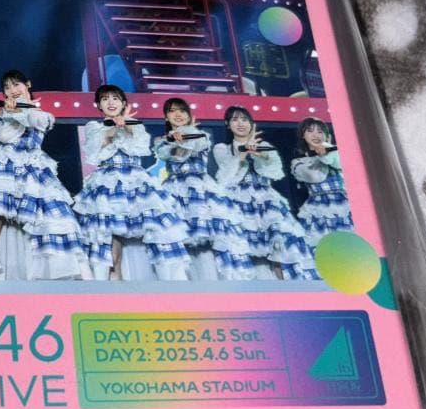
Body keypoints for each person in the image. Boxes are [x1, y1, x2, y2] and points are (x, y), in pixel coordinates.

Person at [0, 70, 88, 280]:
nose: (12, 90)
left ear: (28, 85)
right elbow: (1, 134)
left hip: (34, 171)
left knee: (51, 220)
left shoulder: (40, 113)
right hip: (3, 168)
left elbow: (38, 122)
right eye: (7, 87)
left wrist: (18, 111)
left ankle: (50, 276)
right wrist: (9, 114)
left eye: (16, 84)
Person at [74, 85, 190, 281]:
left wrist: (126, 124)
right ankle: (109, 291)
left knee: (160, 233)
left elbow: (141, 146)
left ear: (123, 104)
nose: (110, 102)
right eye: (105, 99)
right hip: (107, 187)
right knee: (109, 250)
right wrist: (114, 127)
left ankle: (171, 287)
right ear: (99, 105)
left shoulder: (136, 125)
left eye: (115, 98)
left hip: (137, 185)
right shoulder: (94, 126)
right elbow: (97, 148)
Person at [154, 98, 253, 280]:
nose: (178, 114)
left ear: (189, 115)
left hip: (201, 187)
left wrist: (186, 133)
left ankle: (215, 281)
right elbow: (174, 155)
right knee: (176, 236)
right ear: (166, 117)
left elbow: (190, 148)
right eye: (173, 111)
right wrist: (175, 140)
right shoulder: (161, 141)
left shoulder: (201, 135)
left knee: (209, 237)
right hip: (175, 189)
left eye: (182, 111)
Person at [214, 106, 316, 280]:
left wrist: (260, 154)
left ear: (252, 124)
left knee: (279, 245)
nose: (241, 124)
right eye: (235, 120)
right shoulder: (222, 148)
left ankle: (287, 285)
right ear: (227, 124)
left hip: (266, 201)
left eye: (245, 119)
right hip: (237, 203)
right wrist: (243, 152)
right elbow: (226, 177)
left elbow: (275, 171)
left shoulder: (265, 146)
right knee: (244, 248)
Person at [291, 118, 353, 250]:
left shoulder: (337, 155)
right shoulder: (299, 162)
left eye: (320, 132)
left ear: (327, 136)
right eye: (310, 131)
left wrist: (328, 152)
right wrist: (321, 156)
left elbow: (343, 165)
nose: (316, 135)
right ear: (303, 135)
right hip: (319, 208)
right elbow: (315, 176)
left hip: (345, 204)